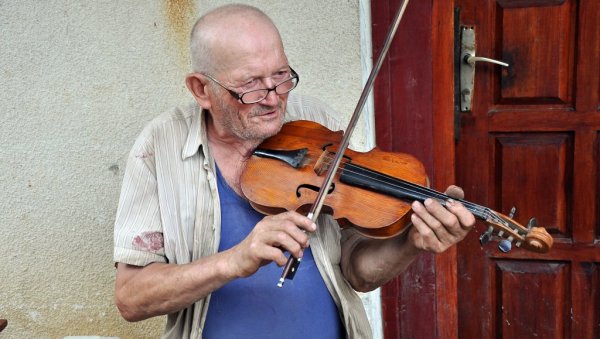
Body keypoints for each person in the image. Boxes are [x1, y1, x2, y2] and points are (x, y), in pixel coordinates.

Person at [113, 4, 475, 339]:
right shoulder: (159, 147)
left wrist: (409, 243)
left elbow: (358, 273)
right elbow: (131, 298)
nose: (273, 98)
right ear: (202, 89)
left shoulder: (317, 124)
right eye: (250, 85)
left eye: (281, 76)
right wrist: (235, 260)